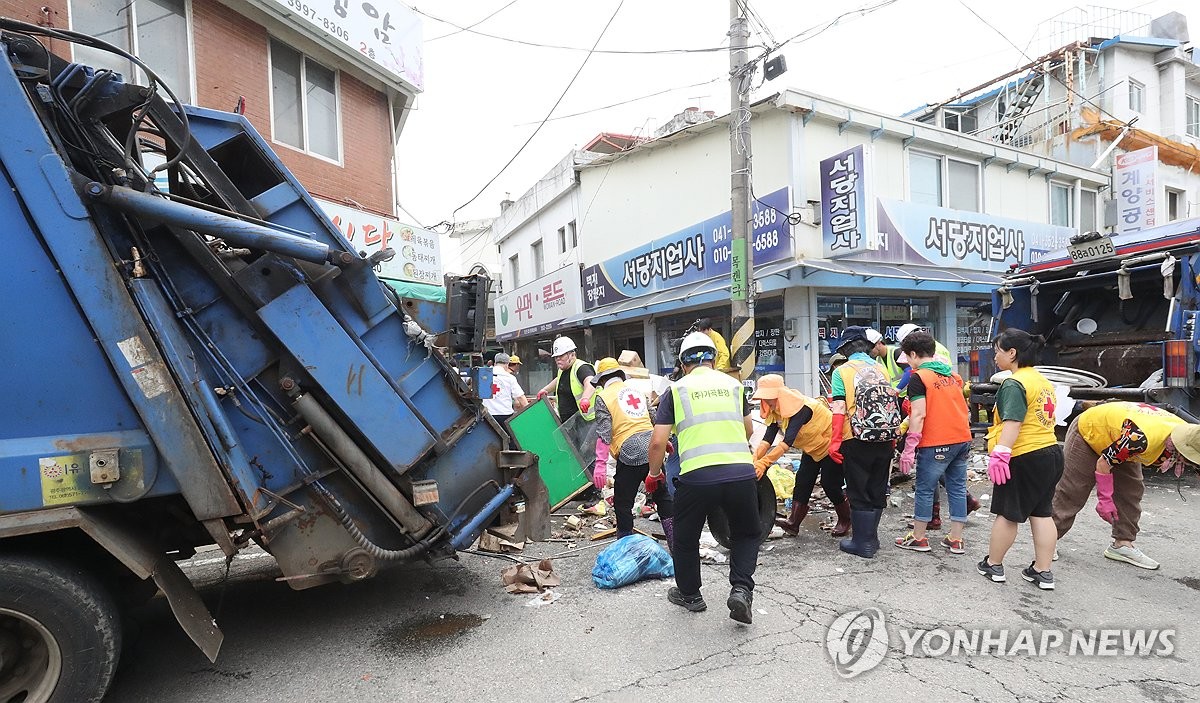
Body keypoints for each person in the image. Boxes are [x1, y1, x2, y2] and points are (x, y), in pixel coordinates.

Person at [648, 331, 759, 624]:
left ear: (684, 363)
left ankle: (691, 595)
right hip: (740, 473)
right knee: (746, 532)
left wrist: (654, 474)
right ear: (712, 359)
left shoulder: (676, 390)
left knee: (686, 537)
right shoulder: (734, 386)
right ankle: (741, 589)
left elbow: (658, 442)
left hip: (697, 477)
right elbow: (748, 430)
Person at [1052, 401, 1200, 570]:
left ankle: (1122, 544)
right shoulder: (1140, 439)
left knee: (1131, 490)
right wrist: (1105, 499)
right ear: (1183, 450)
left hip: (1120, 438)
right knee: (1074, 489)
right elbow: (1103, 463)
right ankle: (1049, 539)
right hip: (1090, 430)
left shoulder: (1189, 434)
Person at [977, 329, 1063, 591]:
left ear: (1012, 353)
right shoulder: (1042, 381)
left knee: (1008, 513)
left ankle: (994, 564)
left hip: (1023, 455)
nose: (995, 356)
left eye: (998, 351)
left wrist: (1002, 453)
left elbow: (1013, 422)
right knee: (1042, 512)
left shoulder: (1014, 384)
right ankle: (1042, 571)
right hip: (1051, 453)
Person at [893, 332, 972, 555]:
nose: (908, 363)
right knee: (957, 488)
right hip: (962, 439)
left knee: (925, 490)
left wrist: (909, 449)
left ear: (914, 354)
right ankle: (956, 539)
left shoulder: (920, 378)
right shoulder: (953, 376)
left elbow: (918, 415)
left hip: (937, 442)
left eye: (908, 357)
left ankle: (919, 537)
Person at [829, 327, 903, 558]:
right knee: (877, 487)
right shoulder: (881, 368)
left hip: (856, 437)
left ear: (846, 349)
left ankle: (862, 543)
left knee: (858, 489)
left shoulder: (841, 372)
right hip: (885, 436)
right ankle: (872, 537)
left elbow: (839, 409)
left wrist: (834, 441)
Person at [753, 375, 849, 537]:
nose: (768, 403)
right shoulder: (775, 409)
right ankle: (794, 523)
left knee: (830, 484)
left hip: (831, 445)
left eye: (770, 399)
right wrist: (755, 459)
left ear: (780, 395)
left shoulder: (802, 408)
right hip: (812, 448)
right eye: (765, 400)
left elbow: (787, 441)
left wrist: (765, 463)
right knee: (803, 481)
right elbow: (768, 438)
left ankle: (846, 519)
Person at [592, 358, 674, 546]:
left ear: (602, 380)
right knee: (662, 496)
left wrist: (600, 465)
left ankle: (627, 547)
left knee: (623, 502)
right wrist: (664, 442)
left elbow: (604, 433)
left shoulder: (603, 397)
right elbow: (654, 417)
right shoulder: (636, 391)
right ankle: (675, 543)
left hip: (629, 451)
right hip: (653, 446)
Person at [482, 353, 528, 432]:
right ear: (507, 364)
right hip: (505, 415)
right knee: (510, 441)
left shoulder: (483, 376)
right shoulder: (510, 377)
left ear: (495, 363)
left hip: (488, 416)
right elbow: (520, 397)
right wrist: (529, 411)